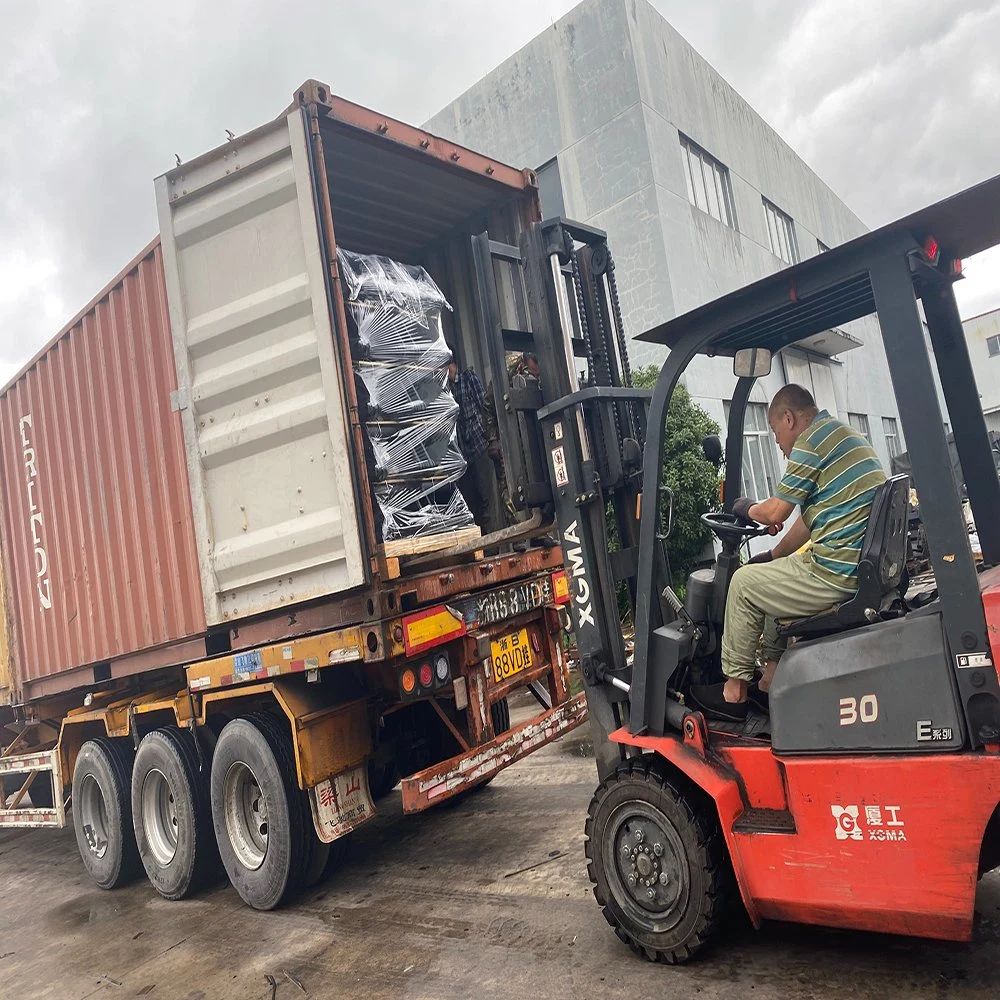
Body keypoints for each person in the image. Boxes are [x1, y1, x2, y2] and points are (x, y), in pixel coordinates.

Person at [689, 384, 887, 722]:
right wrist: (775, 554)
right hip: (852, 564)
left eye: (776, 434)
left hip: (836, 574)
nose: (780, 448)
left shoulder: (810, 443)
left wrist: (746, 507)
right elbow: (810, 523)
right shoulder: (838, 436)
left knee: (742, 584)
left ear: (788, 418)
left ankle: (733, 693)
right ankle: (769, 680)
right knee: (767, 576)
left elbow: (776, 513)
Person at [447, 357, 503, 535]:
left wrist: (492, 439)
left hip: (479, 447)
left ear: (451, 363)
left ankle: (494, 542)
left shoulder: (468, 379)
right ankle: (483, 545)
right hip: (463, 456)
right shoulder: (444, 390)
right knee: (472, 504)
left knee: (488, 500)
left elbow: (484, 407)